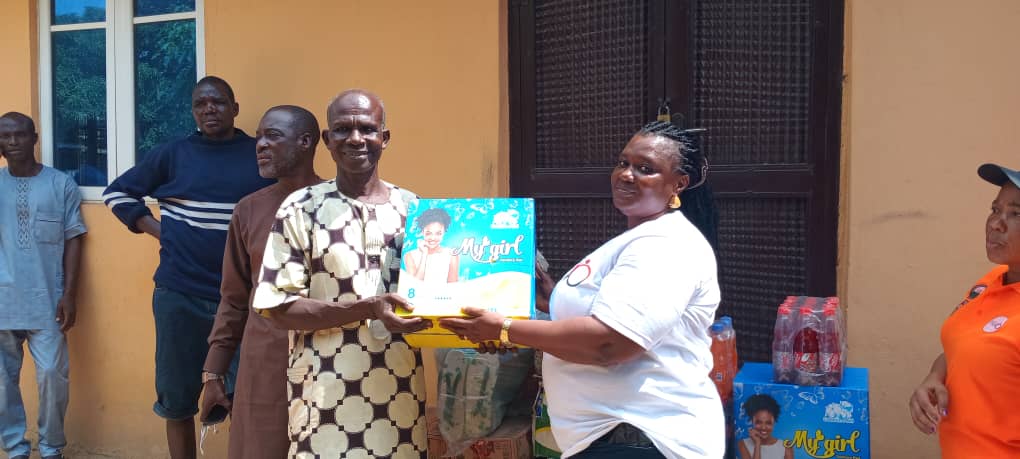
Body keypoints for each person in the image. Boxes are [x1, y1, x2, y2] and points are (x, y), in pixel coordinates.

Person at [441, 120, 724, 459]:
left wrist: (504, 329)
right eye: (623, 163)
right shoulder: (640, 239)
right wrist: (550, 302)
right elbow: (608, 318)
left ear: (679, 183)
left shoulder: (664, 245)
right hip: (616, 438)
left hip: (641, 437)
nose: (626, 174)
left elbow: (609, 342)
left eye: (645, 169)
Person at [252, 89, 432, 458]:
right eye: (342, 129)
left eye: (367, 128)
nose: (355, 138)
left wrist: (484, 329)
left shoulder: (413, 209)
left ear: (384, 138)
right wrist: (367, 309)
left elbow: (435, 300)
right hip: (323, 399)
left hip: (399, 396)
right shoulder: (300, 208)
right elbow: (278, 307)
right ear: (327, 140)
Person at [102, 76, 274, 458]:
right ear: (193, 112)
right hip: (179, 295)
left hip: (245, 300)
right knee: (176, 400)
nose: (209, 109)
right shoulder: (173, 154)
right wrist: (162, 232)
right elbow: (116, 193)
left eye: (218, 102)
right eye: (200, 104)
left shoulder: (258, 155)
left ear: (235, 108)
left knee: (246, 399)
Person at [198, 106, 322, 459]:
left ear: (306, 142)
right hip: (265, 362)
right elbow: (234, 298)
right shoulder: (249, 210)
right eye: (259, 138)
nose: (261, 145)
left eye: (273, 136)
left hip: (330, 360)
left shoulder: (339, 206)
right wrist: (214, 372)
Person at [908, 163, 1020, 458]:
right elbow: (962, 347)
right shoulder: (991, 281)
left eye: (1016, 214)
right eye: (995, 209)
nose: (996, 223)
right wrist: (935, 377)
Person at [0, 112, 86, 459]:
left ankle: (51, 448)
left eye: (20, 135)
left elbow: (74, 238)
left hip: (48, 301)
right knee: (2, 383)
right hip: (3, 301)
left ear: (35, 139)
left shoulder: (60, 184)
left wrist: (69, 295)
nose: (13, 142)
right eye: (5, 136)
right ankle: (15, 448)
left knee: (52, 375)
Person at [405, 207, 460, 283]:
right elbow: (413, 285)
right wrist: (424, 255)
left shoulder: (452, 254)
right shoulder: (410, 255)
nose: (433, 238)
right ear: (422, 232)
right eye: (428, 233)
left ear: (444, 232)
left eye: (438, 233)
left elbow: (453, 286)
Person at [738, 394, 793, 459]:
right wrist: (757, 444)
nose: (763, 427)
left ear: (774, 422)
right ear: (752, 421)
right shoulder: (743, 444)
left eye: (768, 423)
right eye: (758, 422)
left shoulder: (786, 446)